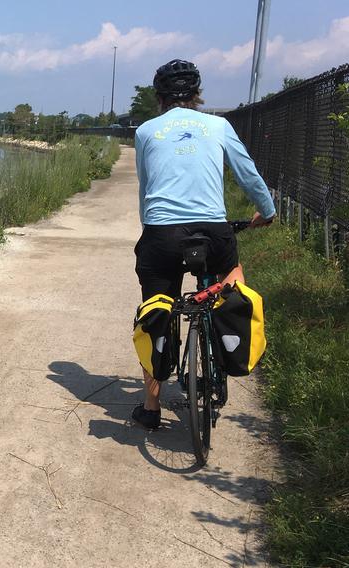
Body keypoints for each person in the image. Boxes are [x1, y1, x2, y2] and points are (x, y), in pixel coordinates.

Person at [131, 59, 276, 429]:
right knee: (231, 277)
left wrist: (152, 233)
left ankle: (151, 406)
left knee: (156, 311)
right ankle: (230, 350)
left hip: (162, 233)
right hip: (212, 231)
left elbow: (146, 190)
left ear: (159, 97)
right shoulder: (218, 125)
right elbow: (248, 173)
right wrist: (267, 211)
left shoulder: (147, 131)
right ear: (197, 94)